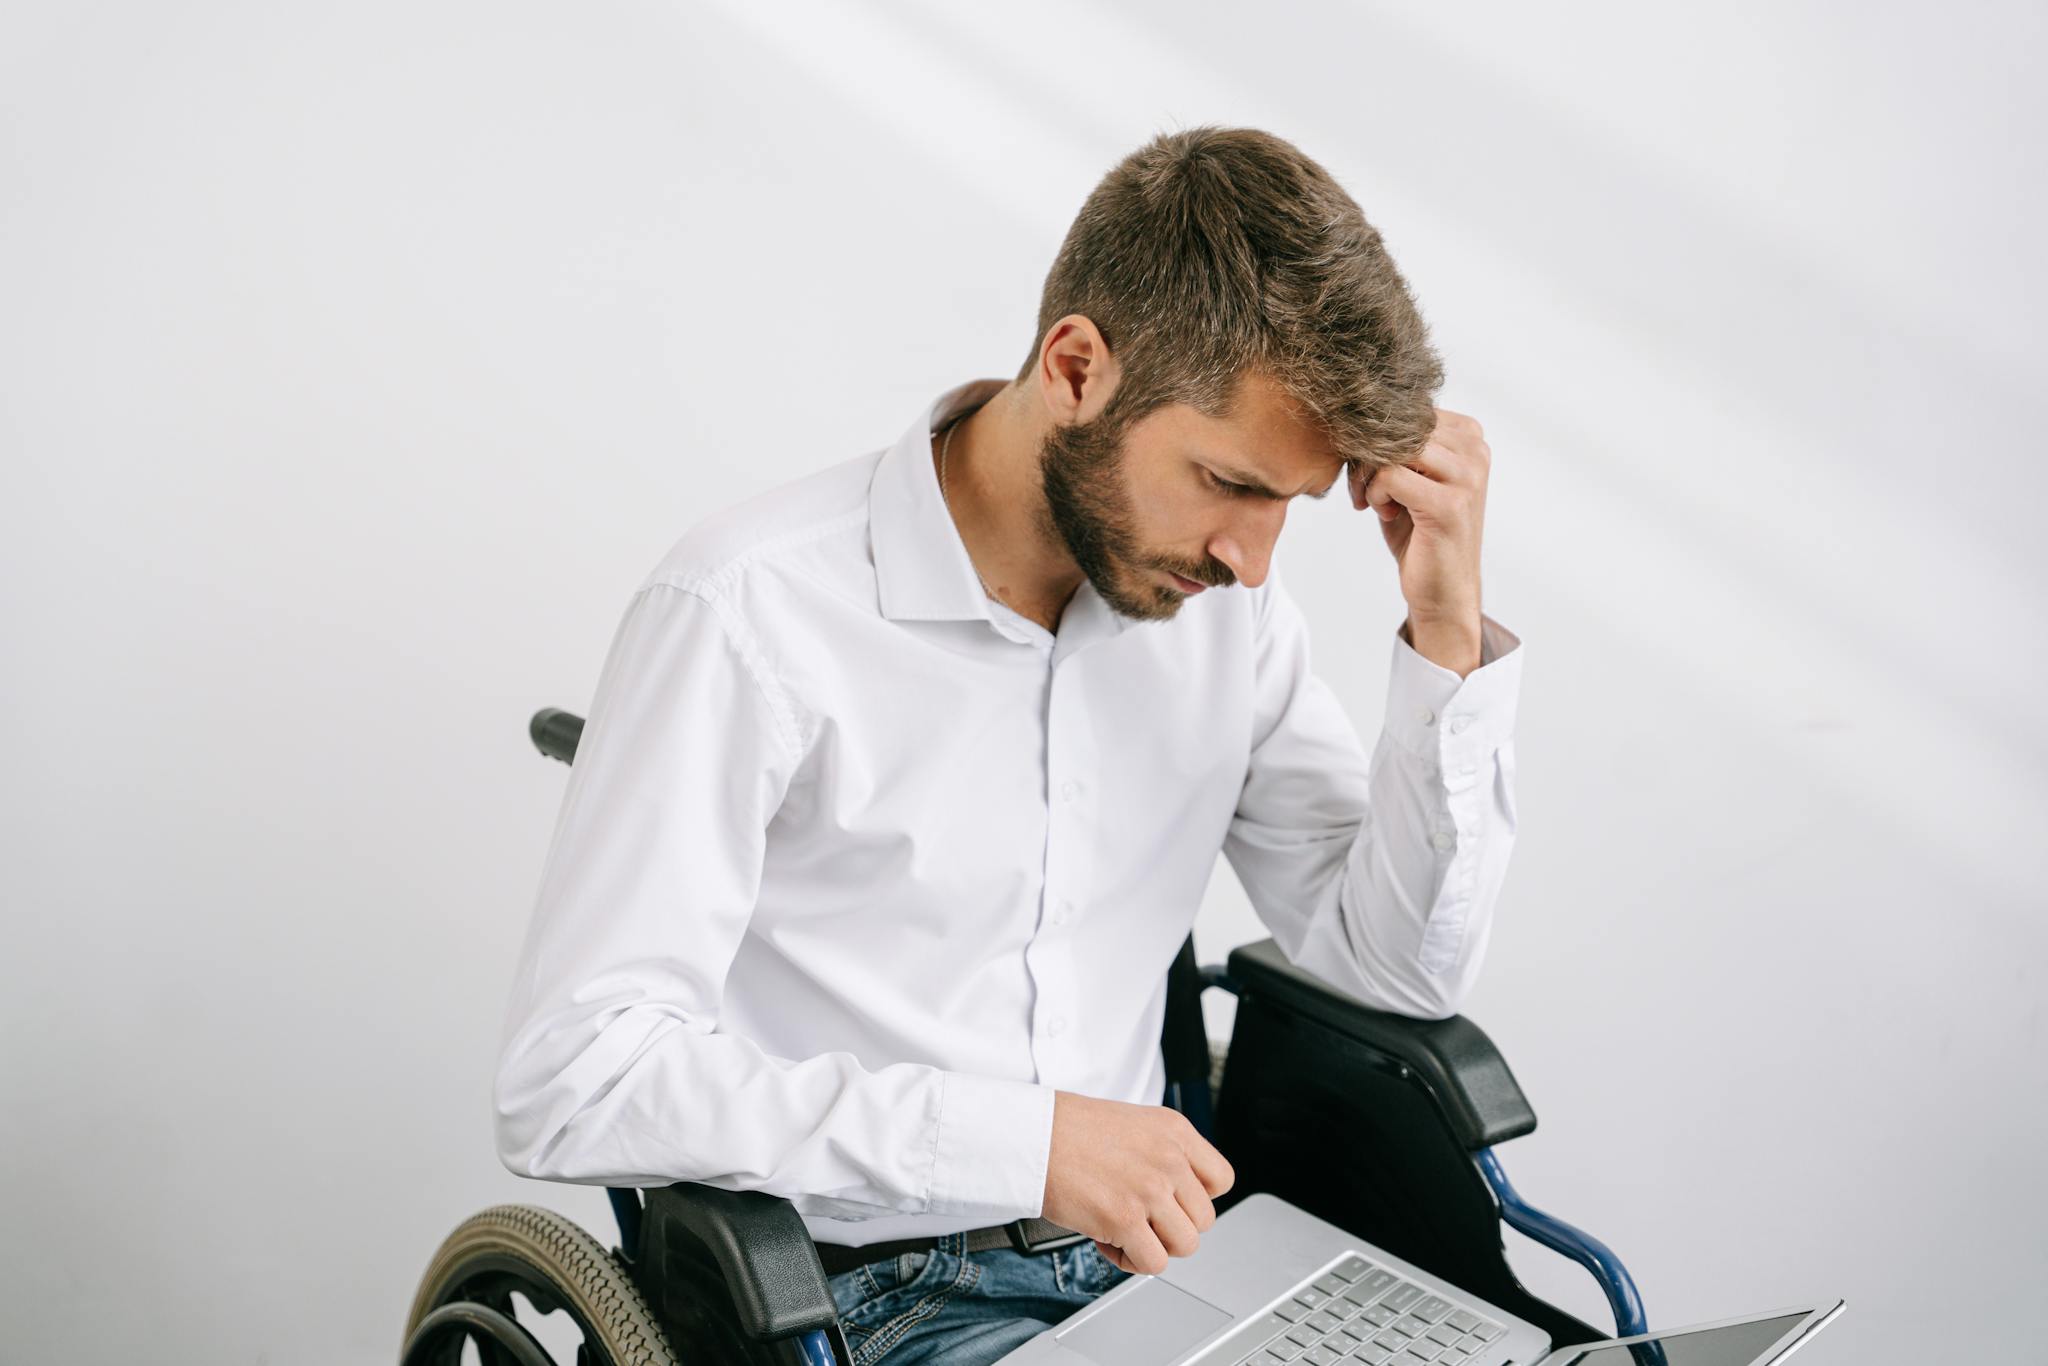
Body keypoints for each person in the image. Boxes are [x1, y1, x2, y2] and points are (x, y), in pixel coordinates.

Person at [492, 124, 1522, 1366]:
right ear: (1078, 366)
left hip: (1172, 1267)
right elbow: (575, 1076)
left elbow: (1392, 976)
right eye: (1227, 481)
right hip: (865, 1299)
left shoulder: (1226, 620)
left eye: (1286, 507)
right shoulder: (747, 612)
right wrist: (1025, 1142)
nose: (1251, 559)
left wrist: (1444, 628)